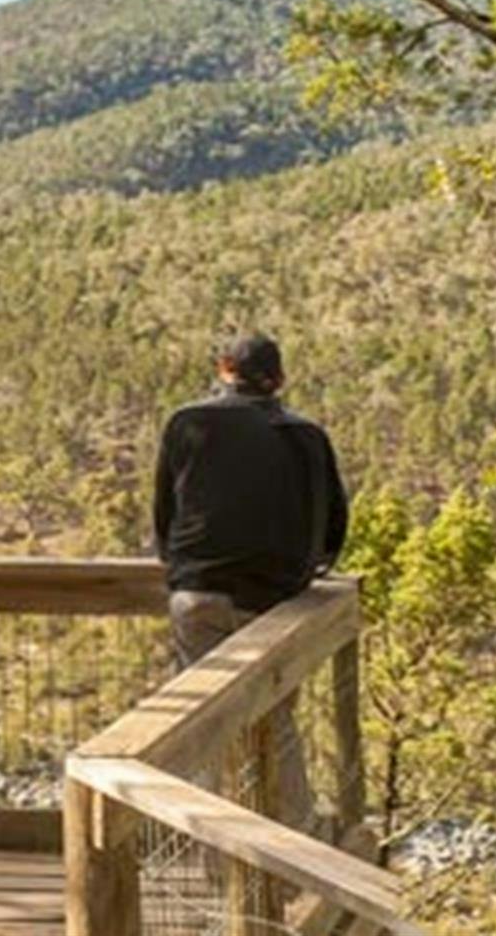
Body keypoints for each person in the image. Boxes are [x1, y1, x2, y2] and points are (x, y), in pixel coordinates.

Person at [152, 332, 348, 829]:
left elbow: (164, 513)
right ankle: (293, 842)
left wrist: (180, 568)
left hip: (197, 593)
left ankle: (217, 845)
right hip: (273, 601)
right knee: (274, 720)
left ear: (223, 370)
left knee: (207, 720)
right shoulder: (305, 436)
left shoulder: (188, 423)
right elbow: (334, 526)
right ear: (278, 380)